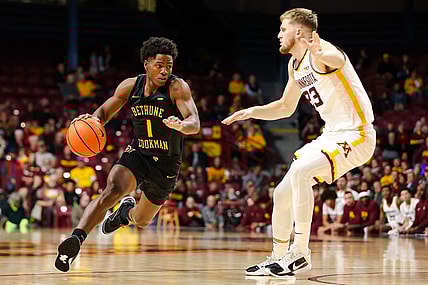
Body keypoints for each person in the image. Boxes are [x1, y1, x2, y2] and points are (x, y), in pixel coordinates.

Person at [222, 8, 375, 277]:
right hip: (331, 135)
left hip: (357, 134)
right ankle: (278, 257)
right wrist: (252, 112)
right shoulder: (295, 65)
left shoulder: (323, 53)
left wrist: (318, 51)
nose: (278, 34)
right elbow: (284, 106)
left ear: (299, 32)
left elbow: (336, 59)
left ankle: (301, 252)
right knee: (281, 194)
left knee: (302, 173)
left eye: (283, 29)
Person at [55, 37, 200, 272]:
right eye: (159, 65)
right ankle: (77, 238)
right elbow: (103, 112)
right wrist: (90, 120)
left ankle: (124, 215)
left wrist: (182, 125)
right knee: (111, 190)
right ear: (146, 64)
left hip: (166, 163)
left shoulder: (177, 87)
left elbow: (194, 122)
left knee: (142, 220)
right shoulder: (130, 86)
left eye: (169, 66)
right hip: (139, 152)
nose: (165, 71)